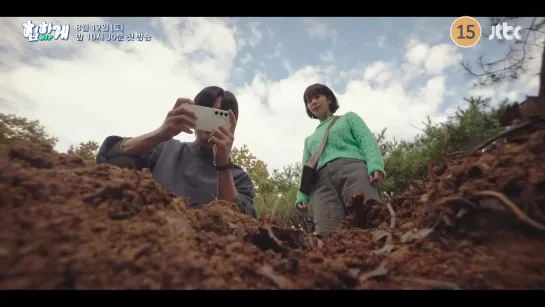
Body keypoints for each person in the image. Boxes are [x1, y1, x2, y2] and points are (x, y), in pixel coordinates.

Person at [96, 86, 257, 218]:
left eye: (219, 116)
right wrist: (159, 134)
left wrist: (223, 166)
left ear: (231, 124)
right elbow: (109, 157)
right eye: (206, 112)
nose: (211, 123)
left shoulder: (238, 177)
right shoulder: (165, 148)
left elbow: (242, 221)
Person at [295, 83, 386, 237]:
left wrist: (375, 164)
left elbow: (366, 140)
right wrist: (302, 195)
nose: (313, 103)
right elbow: (306, 167)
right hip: (321, 184)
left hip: (353, 170)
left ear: (329, 99)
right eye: (308, 101)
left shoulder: (348, 118)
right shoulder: (309, 140)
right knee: (327, 231)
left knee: (370, 215)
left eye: (317, 97)